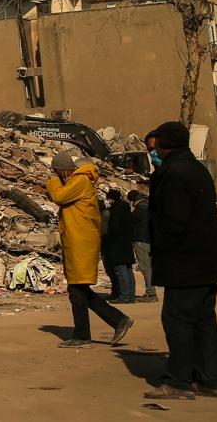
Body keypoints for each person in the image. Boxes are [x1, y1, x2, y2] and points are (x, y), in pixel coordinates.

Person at [143, 121, 217, 400]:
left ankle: (178, 381)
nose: (152, 152)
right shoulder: (196, 170)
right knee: (203, 320)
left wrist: (163, 252)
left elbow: (172, 222)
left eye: (154, 148)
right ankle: (210, 379)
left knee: (177, 320)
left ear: (164, 145)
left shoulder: (174, 174)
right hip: (205, 261)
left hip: (183, 263)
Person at [46, 150, 132, 349]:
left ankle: (84, 333)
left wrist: (52, 182)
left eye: (57, 173)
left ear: (63, 171)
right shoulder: (79, 182)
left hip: (81, 244)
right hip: (77, 242)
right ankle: (116, 320)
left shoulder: (81, 182)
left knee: (77, 290)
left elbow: (59, 196)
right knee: (79, 290)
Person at [102, 189, 136, 303]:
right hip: (126, 243)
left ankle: (124, 296)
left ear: (111, 198)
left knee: (121, 270)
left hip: (117, 244)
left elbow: (114, 228)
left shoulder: (115, 210)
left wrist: (108, 238)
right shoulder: (127, 209)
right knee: (128, 269)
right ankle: (131, 295)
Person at [128, 191, 157, 302]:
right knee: (149, 267)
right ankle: (151, 292)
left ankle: (150, 294)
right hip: (150, 240)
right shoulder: (150, 208)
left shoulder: (139, 210)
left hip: (141, 240)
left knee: (145, 268)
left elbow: (131, 223)